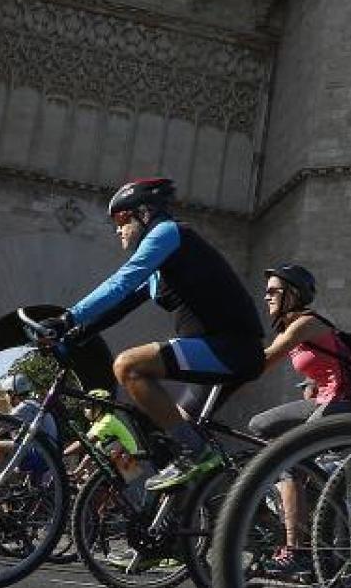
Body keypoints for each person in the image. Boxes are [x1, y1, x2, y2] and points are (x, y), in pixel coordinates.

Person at [37, 177, 265, 492]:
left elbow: (122, 282)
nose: (117, 228)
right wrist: (76, 334)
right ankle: (229, 511)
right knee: (176, 432)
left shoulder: (168, 232)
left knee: (127, 366)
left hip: (232, 349)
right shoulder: (164, 266)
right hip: (221, 350)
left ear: (144, 213)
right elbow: (122, 304)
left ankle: (198, 454)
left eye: (120, 218)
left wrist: (66, 318)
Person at [247, 263, 351, 573]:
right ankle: (294, 507)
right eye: (266, 292)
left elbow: (264, 361)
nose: (267, 297)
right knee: (259, 426)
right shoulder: (294, 326)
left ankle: (297, 550)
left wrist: (223, 366)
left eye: (274, 291)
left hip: (348, 404)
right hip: (326, 401)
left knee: (288, 463)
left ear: (294, 294)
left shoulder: (306, 324)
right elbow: (324, 371)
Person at [62, 388, 140, 482]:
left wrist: (62, 454)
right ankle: (77, 475)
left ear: (99, 407)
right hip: (119, 459)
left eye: (88, 406)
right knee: (95, 449)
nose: (84, 410)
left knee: (95, 447)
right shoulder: (99, 422)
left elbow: (83, 442)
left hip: (128, 462)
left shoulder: (107, 421)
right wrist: (78, 472)